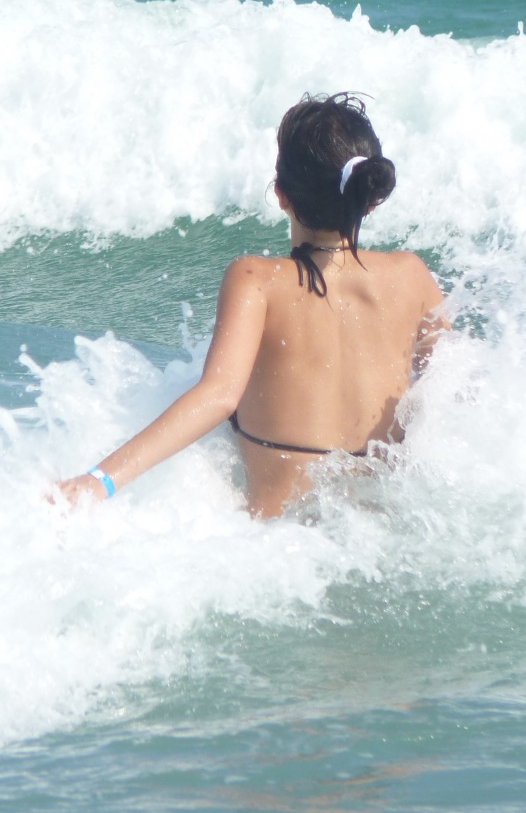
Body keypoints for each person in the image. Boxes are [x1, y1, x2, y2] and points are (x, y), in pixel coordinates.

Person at [59, 93, 446, 517]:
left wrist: (98, 481)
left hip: (279, 540)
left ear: (280, 194)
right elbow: (453, 388)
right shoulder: (412, 276)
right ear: (371, 199)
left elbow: (219, 396)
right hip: (385, 528)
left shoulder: (257, 280)